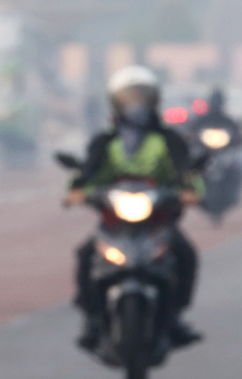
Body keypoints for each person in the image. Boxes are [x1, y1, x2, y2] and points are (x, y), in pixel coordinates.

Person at [65, 65, 203, 350]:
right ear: (116, 102)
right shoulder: (106, 142)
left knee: (186, 254)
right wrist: (79, 191)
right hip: (114, 223)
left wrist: (189, 192)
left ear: (154, 100)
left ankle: (175, 318)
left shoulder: (168, 140)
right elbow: (89, 174)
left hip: (158, 222)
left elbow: (186, 173)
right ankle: (91, 318)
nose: (135, 104)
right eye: (129, 97)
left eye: (142, 96)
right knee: (85, 255)